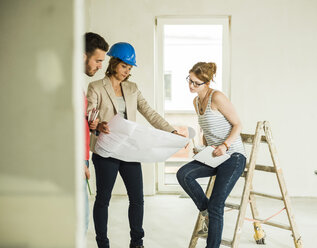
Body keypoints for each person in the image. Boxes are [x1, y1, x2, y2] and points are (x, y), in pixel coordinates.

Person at [86, 42, 180, 248]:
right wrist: (98, 125)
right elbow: (89, 116)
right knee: (103, 199)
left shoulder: (132, 88)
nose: (127, 72)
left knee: (137, 199)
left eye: (130, 68)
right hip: (106, 150)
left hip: (129, 150)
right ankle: (102, 243)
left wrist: (171, 131)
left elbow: (150, 113)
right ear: (113, 64)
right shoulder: (95, 87)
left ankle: (137, 243)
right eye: (124, 67)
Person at [176, 62, 247, 248]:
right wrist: (202, 147)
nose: (191, 85)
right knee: (183, 174)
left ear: (207, 83)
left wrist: (225, 145)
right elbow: (208, 128)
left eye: (196, 83)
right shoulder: (196, 101)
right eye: (189, 80)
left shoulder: (217, 97)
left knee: (217, 204)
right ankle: (206, 212)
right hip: (215, 155)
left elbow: (238, 124)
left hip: (233, 156)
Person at [83, 32, 109, 232]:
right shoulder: (77, 86)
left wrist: (93, 123)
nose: (100, 66)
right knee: (81, 223)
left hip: (83, 158)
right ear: (84, 56)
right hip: (77, 160)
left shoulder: (77, 85)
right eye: (98, 60)